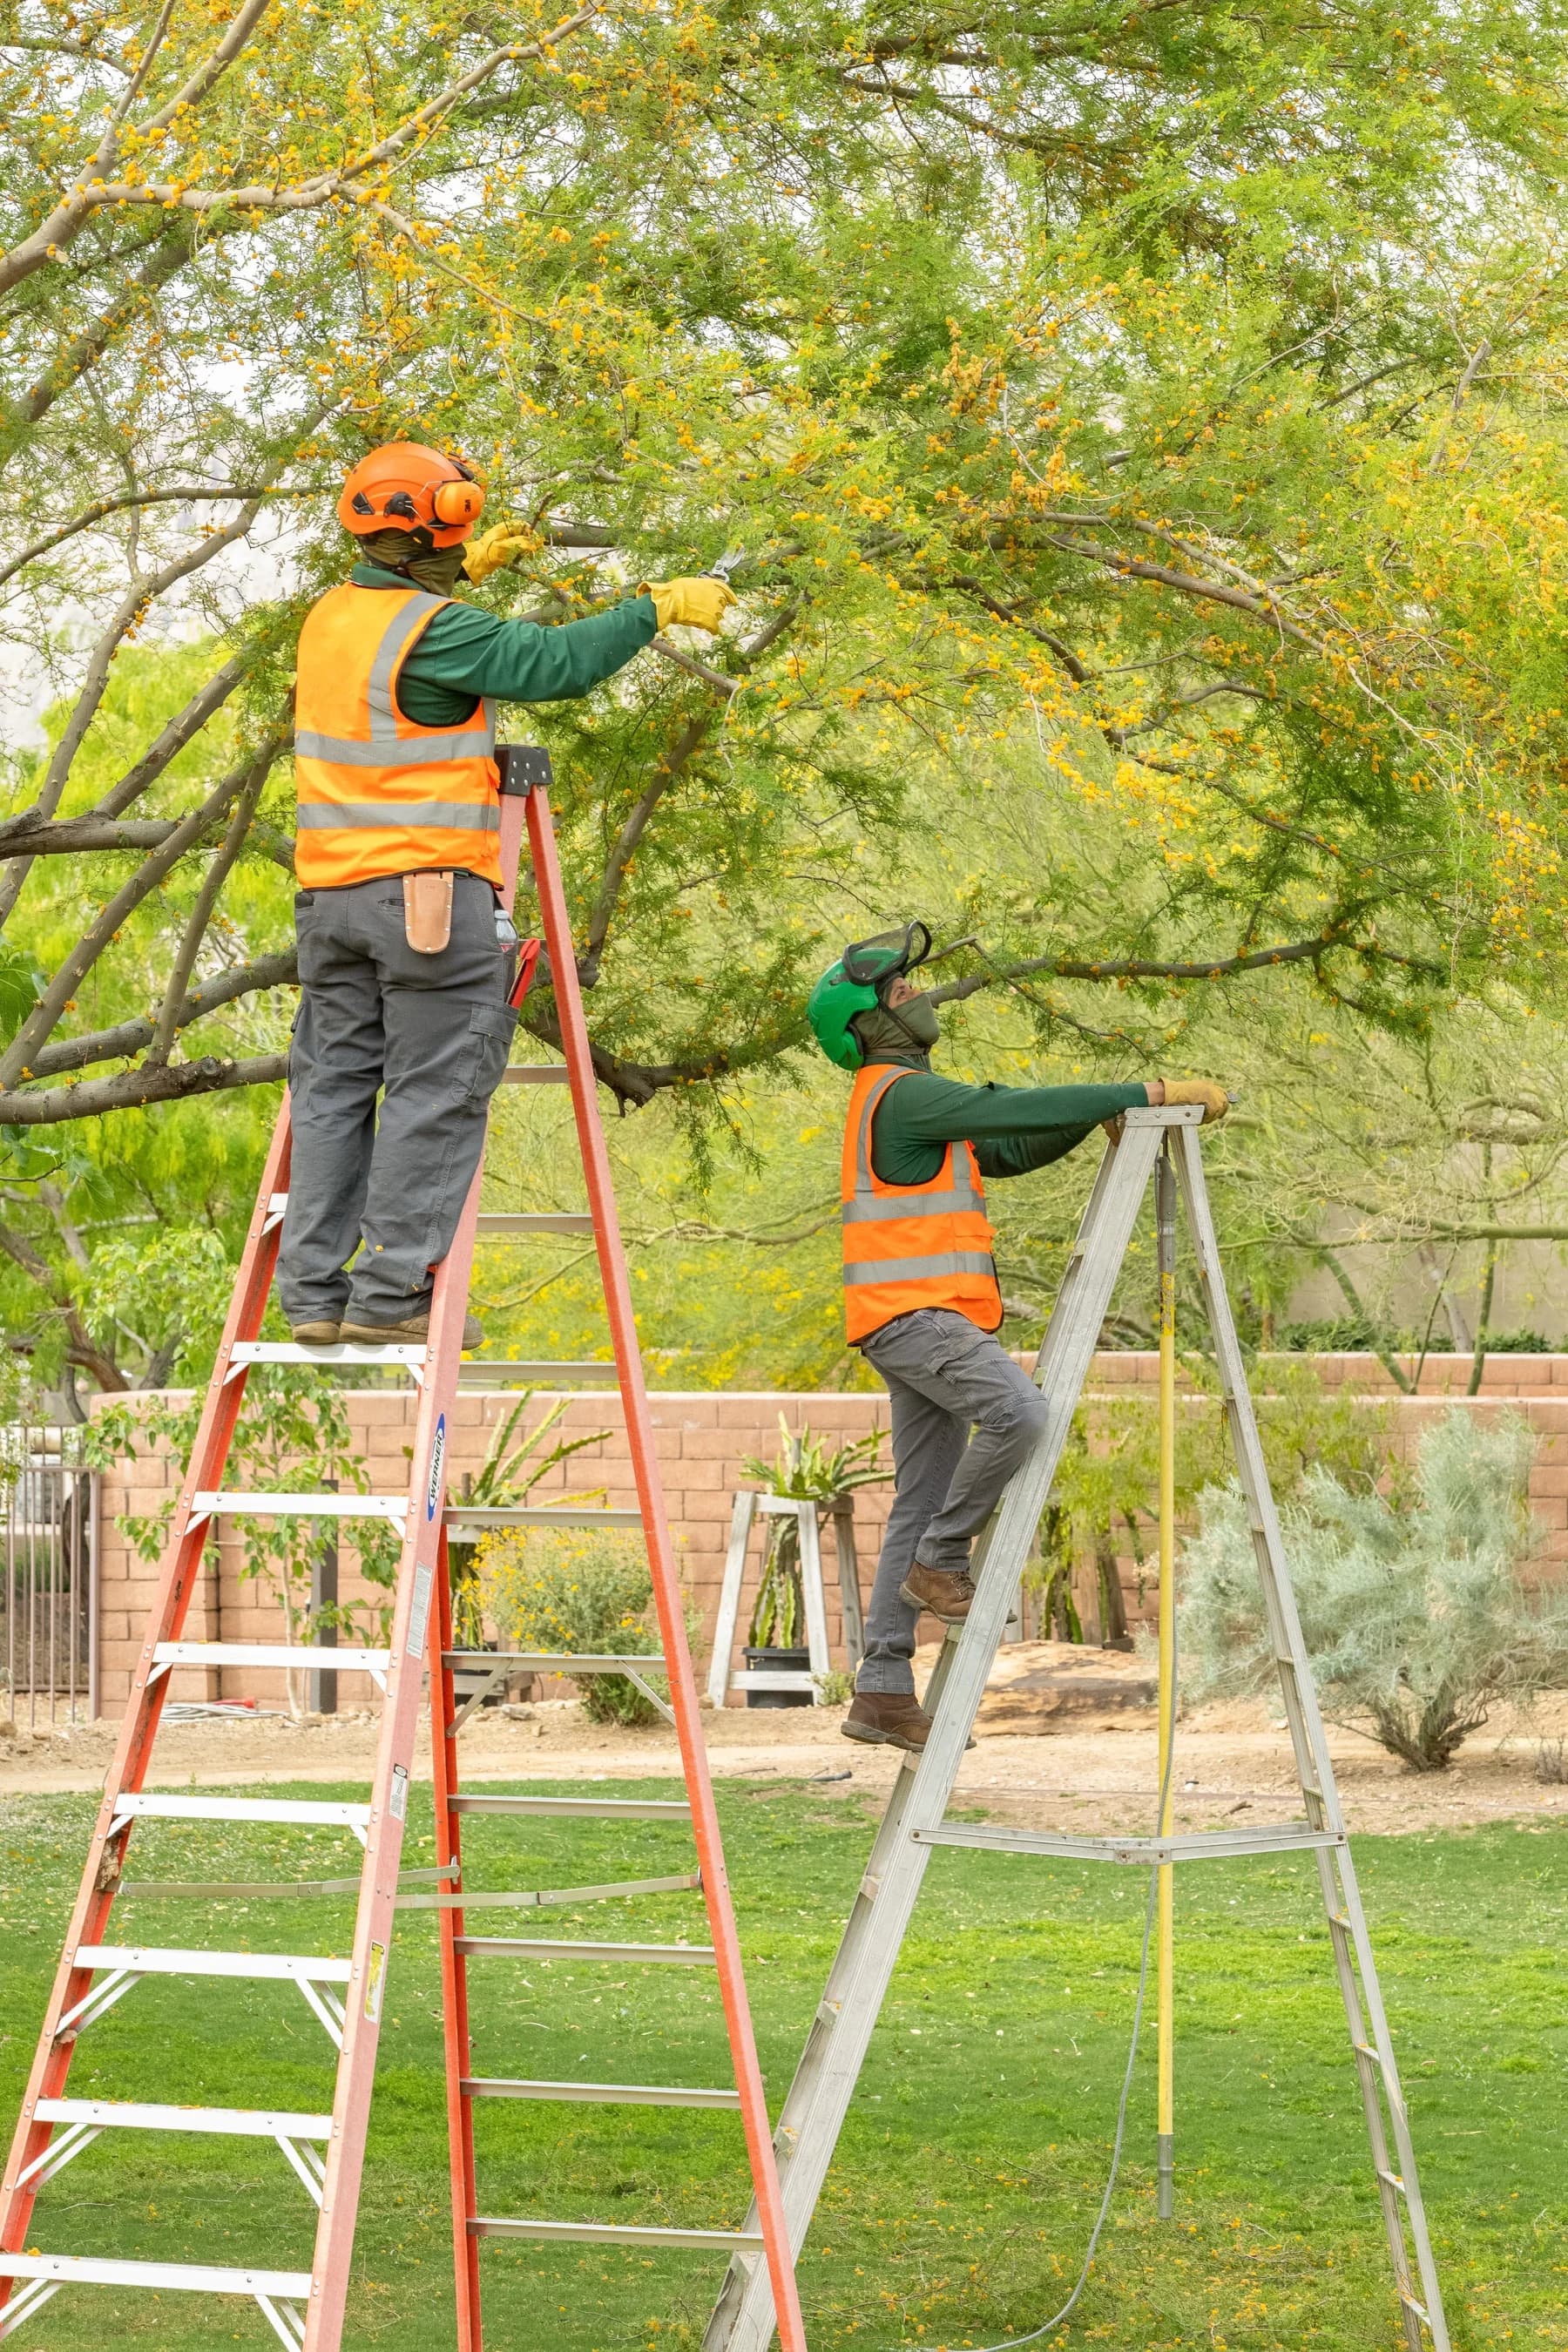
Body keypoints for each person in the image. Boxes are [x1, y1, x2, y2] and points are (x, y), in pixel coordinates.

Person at [280, 441, 733, 1348]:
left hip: (330, 904)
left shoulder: (331, 616)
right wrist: (656, 605)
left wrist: (459, 577)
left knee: (332, 1089)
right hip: (423, 902)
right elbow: (552, 664)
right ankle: (392, 1295)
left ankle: (313, 1298)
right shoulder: (436, 630)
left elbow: (402, 645)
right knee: (434, 1088)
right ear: (439, 530)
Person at [806, 923, 1229, 1752]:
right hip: (919, 1318)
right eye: (900, 992)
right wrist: (1142, 1090)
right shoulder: (903, 1093)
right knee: (1021, 1414)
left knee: (919, 1495)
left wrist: (1100, 1116)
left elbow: (1007, 1144)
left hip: (906, 1321)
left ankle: (882, 1688)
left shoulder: (910, 1105)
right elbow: (1012, 1109)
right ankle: (940, 1559)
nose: (918, 996)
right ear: (872, 1026)